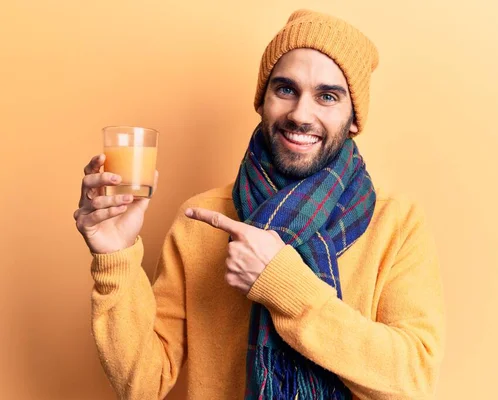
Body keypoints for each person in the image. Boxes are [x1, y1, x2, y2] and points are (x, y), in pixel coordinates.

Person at [74, 9, 446, 400]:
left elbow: (414, 381)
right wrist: (114, 258)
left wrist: (282, 283)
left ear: (354, 119)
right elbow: (143, 385)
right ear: (262, 101)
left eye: (327, 96)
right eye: (286, 89)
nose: (301, 114)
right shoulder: (200, 220)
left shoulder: (396, 222)